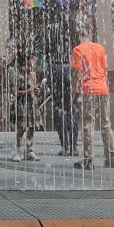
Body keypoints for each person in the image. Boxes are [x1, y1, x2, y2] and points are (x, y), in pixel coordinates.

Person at [71, 27, 114, 169]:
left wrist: (75, 92)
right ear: (90, 33)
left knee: (88, 124)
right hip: (103, 89)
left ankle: (88, 159)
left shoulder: (77, 50)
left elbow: (78, 74)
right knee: (106, 123)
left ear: (78, 35)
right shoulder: (100, 48)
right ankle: (112, 157)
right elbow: (104, 70)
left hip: (89, 90)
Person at [45, 10, 78, 156]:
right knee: (72, 108)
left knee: (59, 108)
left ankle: (65, 146)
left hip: (55, 68)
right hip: (70, 68)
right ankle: (74, 146)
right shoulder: (72, 28)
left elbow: (46, 51)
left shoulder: (49, 29)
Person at [8, 47, 40, 162]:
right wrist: (29, 91)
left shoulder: (32, 74)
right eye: (29, 64)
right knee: (21, 128)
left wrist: (36, 91)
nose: (31, 67)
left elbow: (33, 88)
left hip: (31, 103)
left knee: (31, 127)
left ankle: (30, 150)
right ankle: (17, 150)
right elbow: (15, 92)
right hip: (21, 104)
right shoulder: (17, 75)